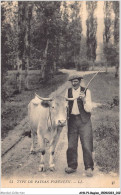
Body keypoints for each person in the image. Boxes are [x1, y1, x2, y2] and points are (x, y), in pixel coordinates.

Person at [65, 74, 94, 177]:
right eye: (72, 81)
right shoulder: (68, 92)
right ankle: (72, 166)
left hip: (84, 121)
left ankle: (89, 167)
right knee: (71, 145)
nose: (74, 83)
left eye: (76, 81)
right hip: (72, 121)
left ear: (80, 81)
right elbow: (66, 106)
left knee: (86, 144)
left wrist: (84, 99)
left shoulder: (86, 91)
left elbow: (89, 109)